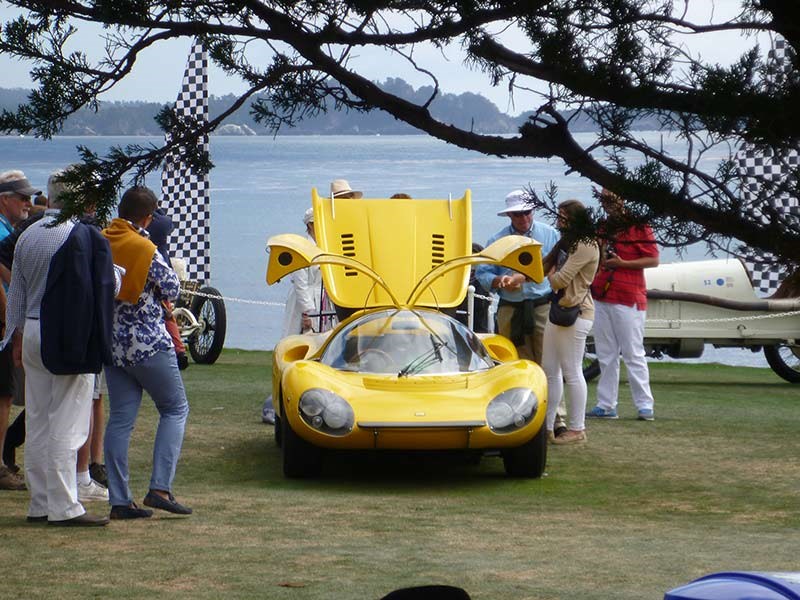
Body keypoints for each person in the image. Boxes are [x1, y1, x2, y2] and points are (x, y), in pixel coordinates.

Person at [4, 169, 116, 526]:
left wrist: (16, 334)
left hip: (32, 329)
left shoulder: (28, 233)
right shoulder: (81, 234)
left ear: (51, 198)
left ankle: (40, 502)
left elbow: (18, 291)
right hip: (66, 332)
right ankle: (65, 505)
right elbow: (104, 284)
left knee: (38, 419)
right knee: (68, 421)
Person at [102, 186, 191, 520]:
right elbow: (172, 287)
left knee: (121, 418)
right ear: (148, 217)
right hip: (148, 341)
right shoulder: (144, 246)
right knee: (174, 408)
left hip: (113, 345)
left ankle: (120, 499)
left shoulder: (102, 240)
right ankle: (159, 488)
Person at [475, 189, 568, 435]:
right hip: (510, 309)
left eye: (526, 213)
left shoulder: (550, 235)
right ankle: (518, 416)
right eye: (517, 214)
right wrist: (499, 282)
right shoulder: (496, 239)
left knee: (549, 363)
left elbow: (559, 266)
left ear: (533, 212)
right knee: (513, 363)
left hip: (542, 305)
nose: (523, 218)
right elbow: (483, 272)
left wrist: (523, 278)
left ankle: (556, 419)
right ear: (510, 216)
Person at [587, 189, 659, 421]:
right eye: (605, 201)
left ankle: (645, 405)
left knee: (632, 352)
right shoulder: (603, 227)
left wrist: (622, 263)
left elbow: (654, 259)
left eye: (611, 200)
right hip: (602, 295)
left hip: (628, 296)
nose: (608, 205)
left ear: (622, 199)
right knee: (606, 354)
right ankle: (606, 405)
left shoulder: (639, 225)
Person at [541, 200, 599, 445]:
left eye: (563, 217)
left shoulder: (585, 245)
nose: (558, 221)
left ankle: (577, 428)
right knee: (549, 370)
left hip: (577, 313)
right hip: (561, 311)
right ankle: (546, 427)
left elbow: (559, 280)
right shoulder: (570, 242)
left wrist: (552, 274)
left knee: (572, 371)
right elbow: (544, 268)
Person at [0, 170, 35, 491]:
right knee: (6, 395)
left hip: (12, 323)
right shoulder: (2, 232)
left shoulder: (9, 229)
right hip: (6, 325)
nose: (28, 202)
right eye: (21, 197)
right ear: (4, 200)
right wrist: (8, 320)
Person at [281, 207, 337, 337]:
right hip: (305, 300)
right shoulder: (301, 248)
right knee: (302, 337)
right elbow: (300, 284)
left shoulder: (326, 246)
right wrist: (307, 312)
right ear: (310, 225)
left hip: (324, 300)